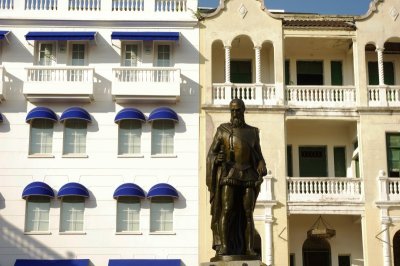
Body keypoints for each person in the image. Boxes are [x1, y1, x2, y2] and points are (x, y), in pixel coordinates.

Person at [206, 98, 267, 258]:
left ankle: (249, 249)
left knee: (248, 213)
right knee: (227, 209)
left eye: (238, 110)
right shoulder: (223, 130)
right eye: (232, 110)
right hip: (229, 173)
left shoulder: (253, 132)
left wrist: (261, 164)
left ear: (243, 110)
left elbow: (258, 155)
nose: (235, 113)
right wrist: (216, 160)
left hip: (248, 175)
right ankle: (225, 246)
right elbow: (212, 153)